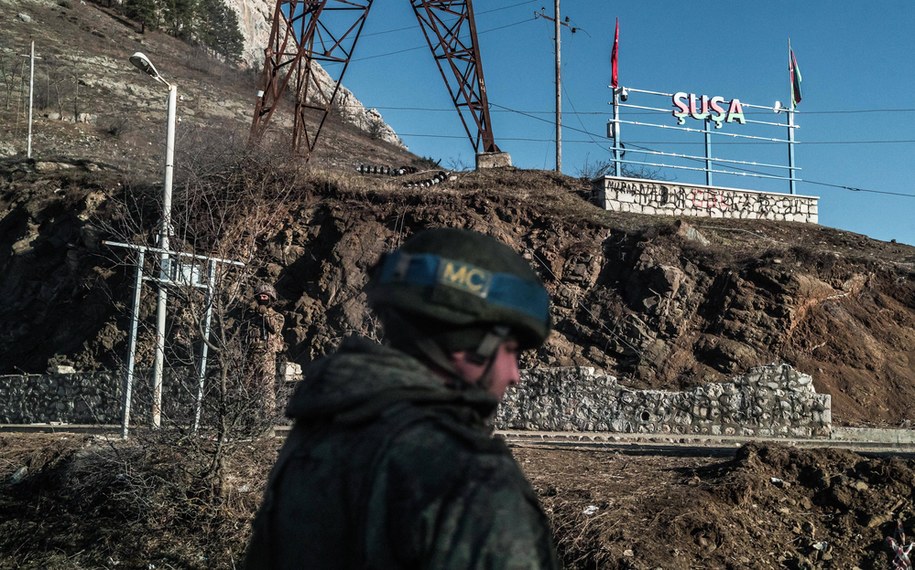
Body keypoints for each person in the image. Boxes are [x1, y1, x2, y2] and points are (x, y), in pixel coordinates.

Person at [244, 228, 559, 569]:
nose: (514, 374)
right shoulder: (467, 478)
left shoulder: (318, 432)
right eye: (510, 351)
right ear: (465, 345)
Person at [244, 282, 285, 418]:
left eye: (266, 296)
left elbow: (275, 329)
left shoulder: (277, 316)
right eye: (260, 296)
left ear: (271, 298)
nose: (263, 298)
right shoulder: (250, 317)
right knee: (248, 387)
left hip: (267, 357)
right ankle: (249, 418)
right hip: (250, 356)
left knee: (266, 388)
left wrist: (265, 314)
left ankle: (267, 420)